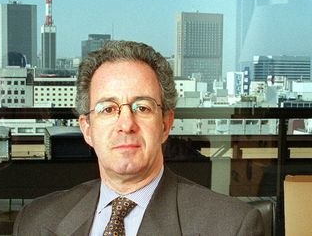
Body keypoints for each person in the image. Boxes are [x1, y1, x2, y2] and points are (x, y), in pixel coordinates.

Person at [13, 41, 264, 235]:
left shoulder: (230, 226)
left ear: (165, 124)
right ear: (87, 129)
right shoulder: (36, 221)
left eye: (142, 108)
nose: (126, 124)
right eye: (108, 109)